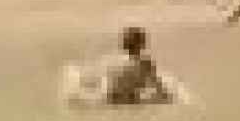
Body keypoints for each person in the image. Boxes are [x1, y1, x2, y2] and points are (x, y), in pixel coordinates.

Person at [60, 26, 193, 109]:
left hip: (106, 99)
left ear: (123, 43)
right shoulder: (146, 64)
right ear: (142, 44)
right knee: (170, 93)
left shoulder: (111, 60)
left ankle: (76, 93)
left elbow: (98, 79)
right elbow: (161, 90)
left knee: (83, 86)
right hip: (129, 101)